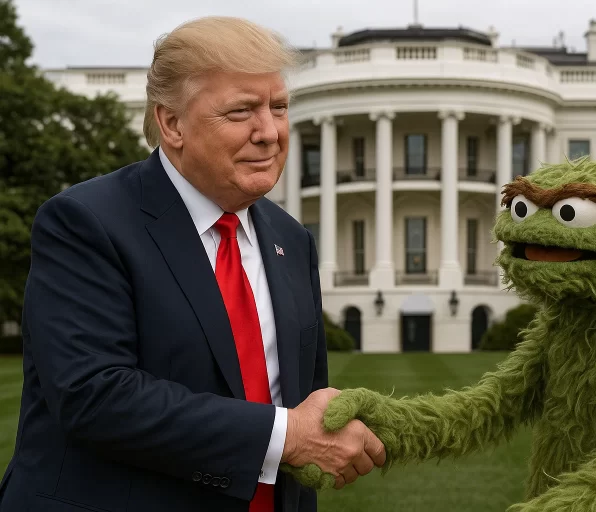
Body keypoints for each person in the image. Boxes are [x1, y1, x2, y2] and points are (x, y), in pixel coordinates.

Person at [0, 16, 385, 512]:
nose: (269, 132)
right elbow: (94, 395)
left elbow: (302, 410)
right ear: (172, 123)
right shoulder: (85, 222)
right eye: (241, 111)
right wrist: (285, 435)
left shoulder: (293, 241)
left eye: (279, 107)